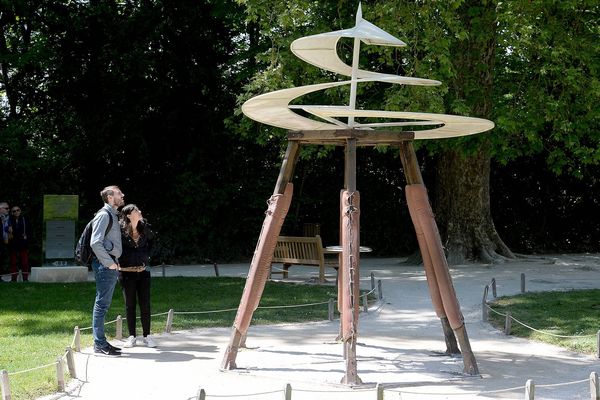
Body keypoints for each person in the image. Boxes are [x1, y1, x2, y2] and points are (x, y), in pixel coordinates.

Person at [90, 185, 125, 356]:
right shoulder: (104, 215)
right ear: (110, 197)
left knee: (103, 304)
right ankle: (99, 344)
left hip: (110, 263)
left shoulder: (112, 215)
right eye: (119, 193)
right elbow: (95, 242)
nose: (122, 195)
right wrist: (109, 263)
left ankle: (101, 342)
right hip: (105, 265)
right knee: (101, 305)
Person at [118, 204, 157, 348]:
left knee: (145, 304)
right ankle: (132, 336)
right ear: (128, 215)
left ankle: (147, 336)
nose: (140, 212)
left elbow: (153, 241)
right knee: (130, 305)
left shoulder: (145, 227)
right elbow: (115, 247)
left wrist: (147, 256)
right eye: (136, 210)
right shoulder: (120, 230)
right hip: (126, 273)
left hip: (143, 271)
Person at [7, 205, 32, 282]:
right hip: (13, 244)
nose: (16, 212)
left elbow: (30, 231)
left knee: (24, 262)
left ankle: (25, 279)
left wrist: (27, 239)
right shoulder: (9, 221)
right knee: (13, 262)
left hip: (23, 244)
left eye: (18, 210)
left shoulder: (25, 219)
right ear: (12, 213)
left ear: (20, 211)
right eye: (14, 211)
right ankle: (13, 279)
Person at [0, 202, 9, 279]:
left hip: (2, 242)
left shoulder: (4, 218)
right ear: (1, 208)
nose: (8, 210)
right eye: (6, 208)